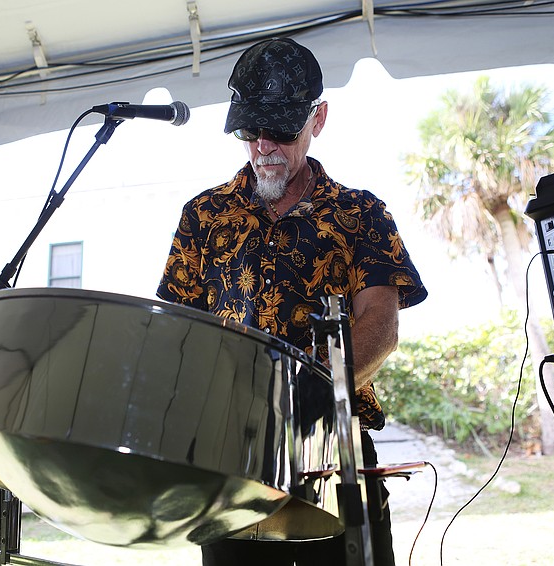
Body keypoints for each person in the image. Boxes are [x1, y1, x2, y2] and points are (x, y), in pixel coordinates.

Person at [156, 37, 428, 566]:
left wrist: (306, 396)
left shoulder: (360, 214)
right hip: (229, 460)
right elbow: (176, 331)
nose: (263, 147)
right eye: (248, 131)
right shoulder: (203, 217)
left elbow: (380, 324)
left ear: (317, 119)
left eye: (279, 131)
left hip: (332, 450)